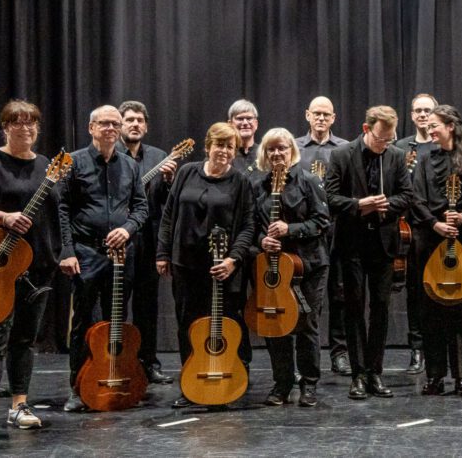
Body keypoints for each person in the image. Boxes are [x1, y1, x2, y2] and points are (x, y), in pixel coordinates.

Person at [0, 100, 67, 444]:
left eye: (32, 122)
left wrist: (61, 253)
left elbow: (58, 212)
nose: (26, 128)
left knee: (24, 339)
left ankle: (20, 404)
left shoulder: (47, 165)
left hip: (38, 266)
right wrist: (3, 217)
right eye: (17, 122)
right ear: (5, 127)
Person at [157, 122, 257, 409]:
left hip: (223, 267)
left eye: (230, 147)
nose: (224, 151)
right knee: (188, 325)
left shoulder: (241, 182)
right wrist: (162, 253)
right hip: (186, 264)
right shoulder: (187, 172)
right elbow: (169, 215)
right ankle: (191, 386)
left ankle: (227, 383)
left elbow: (248, 226)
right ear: (208, 146)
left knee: (226, 325)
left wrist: (233, 259)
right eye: (219, 145)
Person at [60, 106, 148, 412]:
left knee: (116, 321)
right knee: (83, 321)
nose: (111, 128)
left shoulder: (130, 165)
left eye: (115, 123)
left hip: (121, 255)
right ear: (91, 127)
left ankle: (112, 379)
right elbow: (62, 209)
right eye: (104, 123)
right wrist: (67, 251)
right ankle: (77, 387)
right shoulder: (73, 162)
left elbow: (141, 207)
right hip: (86, 252)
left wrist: (127, 229)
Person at [325, 106, 414, 400]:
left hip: (384, 243)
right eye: (380, 138)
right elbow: (329, 198)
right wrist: (359, 205)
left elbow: (407, 195)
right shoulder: (341, 155)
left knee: (381, 308)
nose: (385, 144)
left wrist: (387, 204)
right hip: (352, 243)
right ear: (366, 129)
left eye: (390, 139)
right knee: (354, 308)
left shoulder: (396, 156)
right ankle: (358, 374)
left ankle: (375, 371)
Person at [412, 105, 462, 396]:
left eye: (434, 125)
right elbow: (416, 199)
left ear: (450, 126)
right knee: (431, 310)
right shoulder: (424, 160)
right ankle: (434, 375)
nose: (429, 129)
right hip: (431, 241)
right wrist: (435, 224)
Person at [251, 129, 330, 407]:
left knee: (306, 324)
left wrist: (290, 229)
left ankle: (309, 383)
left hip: (308, 265)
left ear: (291, 151)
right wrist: (262, 241)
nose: (277, 154)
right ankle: (282, 383)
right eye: (271, 149)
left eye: (282, 148)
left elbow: (322, 222)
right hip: (273, 267)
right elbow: (250, 227)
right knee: (276, 323)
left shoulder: (308, 181)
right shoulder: (258, 186)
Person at [117, 100, 177, 385]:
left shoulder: (158, 157)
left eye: (140, 120)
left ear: (146, 126)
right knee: (115, 304)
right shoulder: (110, 155)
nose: (135, 124)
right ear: (120, 124)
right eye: (129, 119)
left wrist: (169, 181)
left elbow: (167, 202)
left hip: (148, 242)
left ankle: (148, 362)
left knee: (147, 306)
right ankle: (115, 362)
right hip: (118, 240)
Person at [293, 96, 352, 376]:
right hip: (306, 235)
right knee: (303, 298)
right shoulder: (294, 147)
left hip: (339, 231)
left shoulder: (345, 148)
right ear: (307, 115)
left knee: (339, 294)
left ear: (333, 118)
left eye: (326, 114)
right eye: (316, 113)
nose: (321, 118)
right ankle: (305, 356)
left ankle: (339, 352)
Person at [392, 93, 440, 374]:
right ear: (411, 115)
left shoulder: (441, 144)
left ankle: (437, 349)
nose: (423, 115)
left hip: (434, 227)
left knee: (436, 289)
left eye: (428, 110)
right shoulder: (401, 148)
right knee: (413, 291)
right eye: (418, 110)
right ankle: (417, 350)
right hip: (408, 231)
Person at [228, 99, 261, 175]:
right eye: (240, 119)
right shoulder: (224, 155)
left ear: (256, 124)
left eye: (249, 118)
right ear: (230, 124)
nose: (245, 123)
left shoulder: (266, 154)